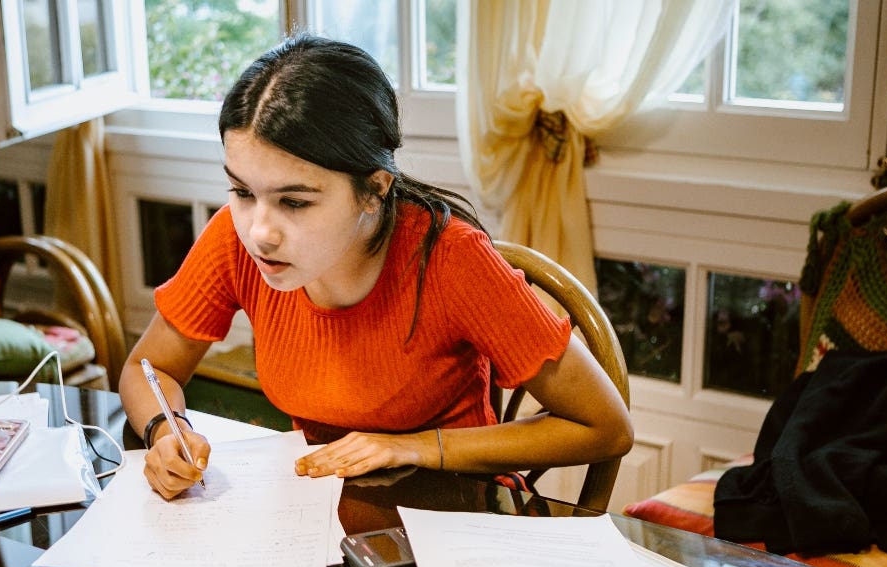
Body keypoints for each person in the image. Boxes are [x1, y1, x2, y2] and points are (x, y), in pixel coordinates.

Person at [120, 33, 633, 500]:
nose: (259, 231)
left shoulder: (451, 259)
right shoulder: (236, 242)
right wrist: (167, 431)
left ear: (374, 190)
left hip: (454, 507)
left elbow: (605, 428)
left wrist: (411, 447)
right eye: (242, 192)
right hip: (321, 505)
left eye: (295, 202)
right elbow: (150, 368)